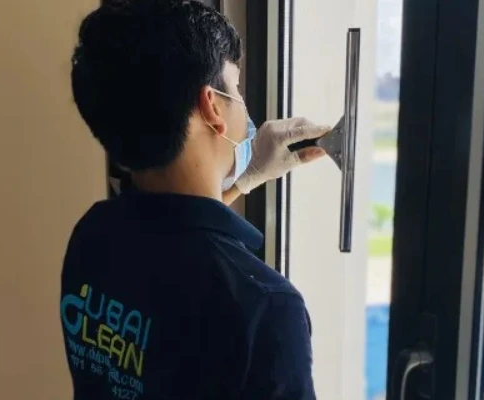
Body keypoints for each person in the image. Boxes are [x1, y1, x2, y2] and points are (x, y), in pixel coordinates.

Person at [60, 1, 328, 399]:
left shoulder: (93, 236)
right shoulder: (264, 308)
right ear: (212, 105)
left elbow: (174, 238)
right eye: (235, 88)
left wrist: (247, 179)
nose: (242, 103)